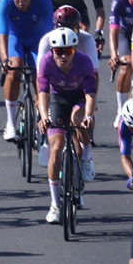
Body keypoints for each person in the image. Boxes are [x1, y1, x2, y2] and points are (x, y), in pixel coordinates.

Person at [37, 28, 97, 224]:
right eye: (59, 51)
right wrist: (43, 117)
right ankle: (55, 204)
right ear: (52, 51)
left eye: (68, 51)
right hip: (58, 100)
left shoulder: (84, 61)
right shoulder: (46, 61)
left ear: (75, 50)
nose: (63, 56)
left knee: (78, 121)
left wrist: (89, 115)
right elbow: (43, 93)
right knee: (56, 149)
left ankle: (86, 156)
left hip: (80, 98)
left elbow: (90, 94)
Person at [0, 0, 55, 141]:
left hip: (38, 40)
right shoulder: (5, 2)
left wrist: (48, 60)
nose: (21, 0)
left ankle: (40, 117)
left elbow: (49, 35)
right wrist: (5, 60)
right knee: (14, 69)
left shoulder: (44, 1)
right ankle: (10, 123)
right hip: (15, 39)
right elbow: (2, 36)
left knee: (40, 73)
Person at [36, 5, 100, 77]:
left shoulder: (87, 39)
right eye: (63, 29)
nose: (68, 34)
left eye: (72, 30)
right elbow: (40, 74)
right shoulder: (46, 40)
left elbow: (94, 73)